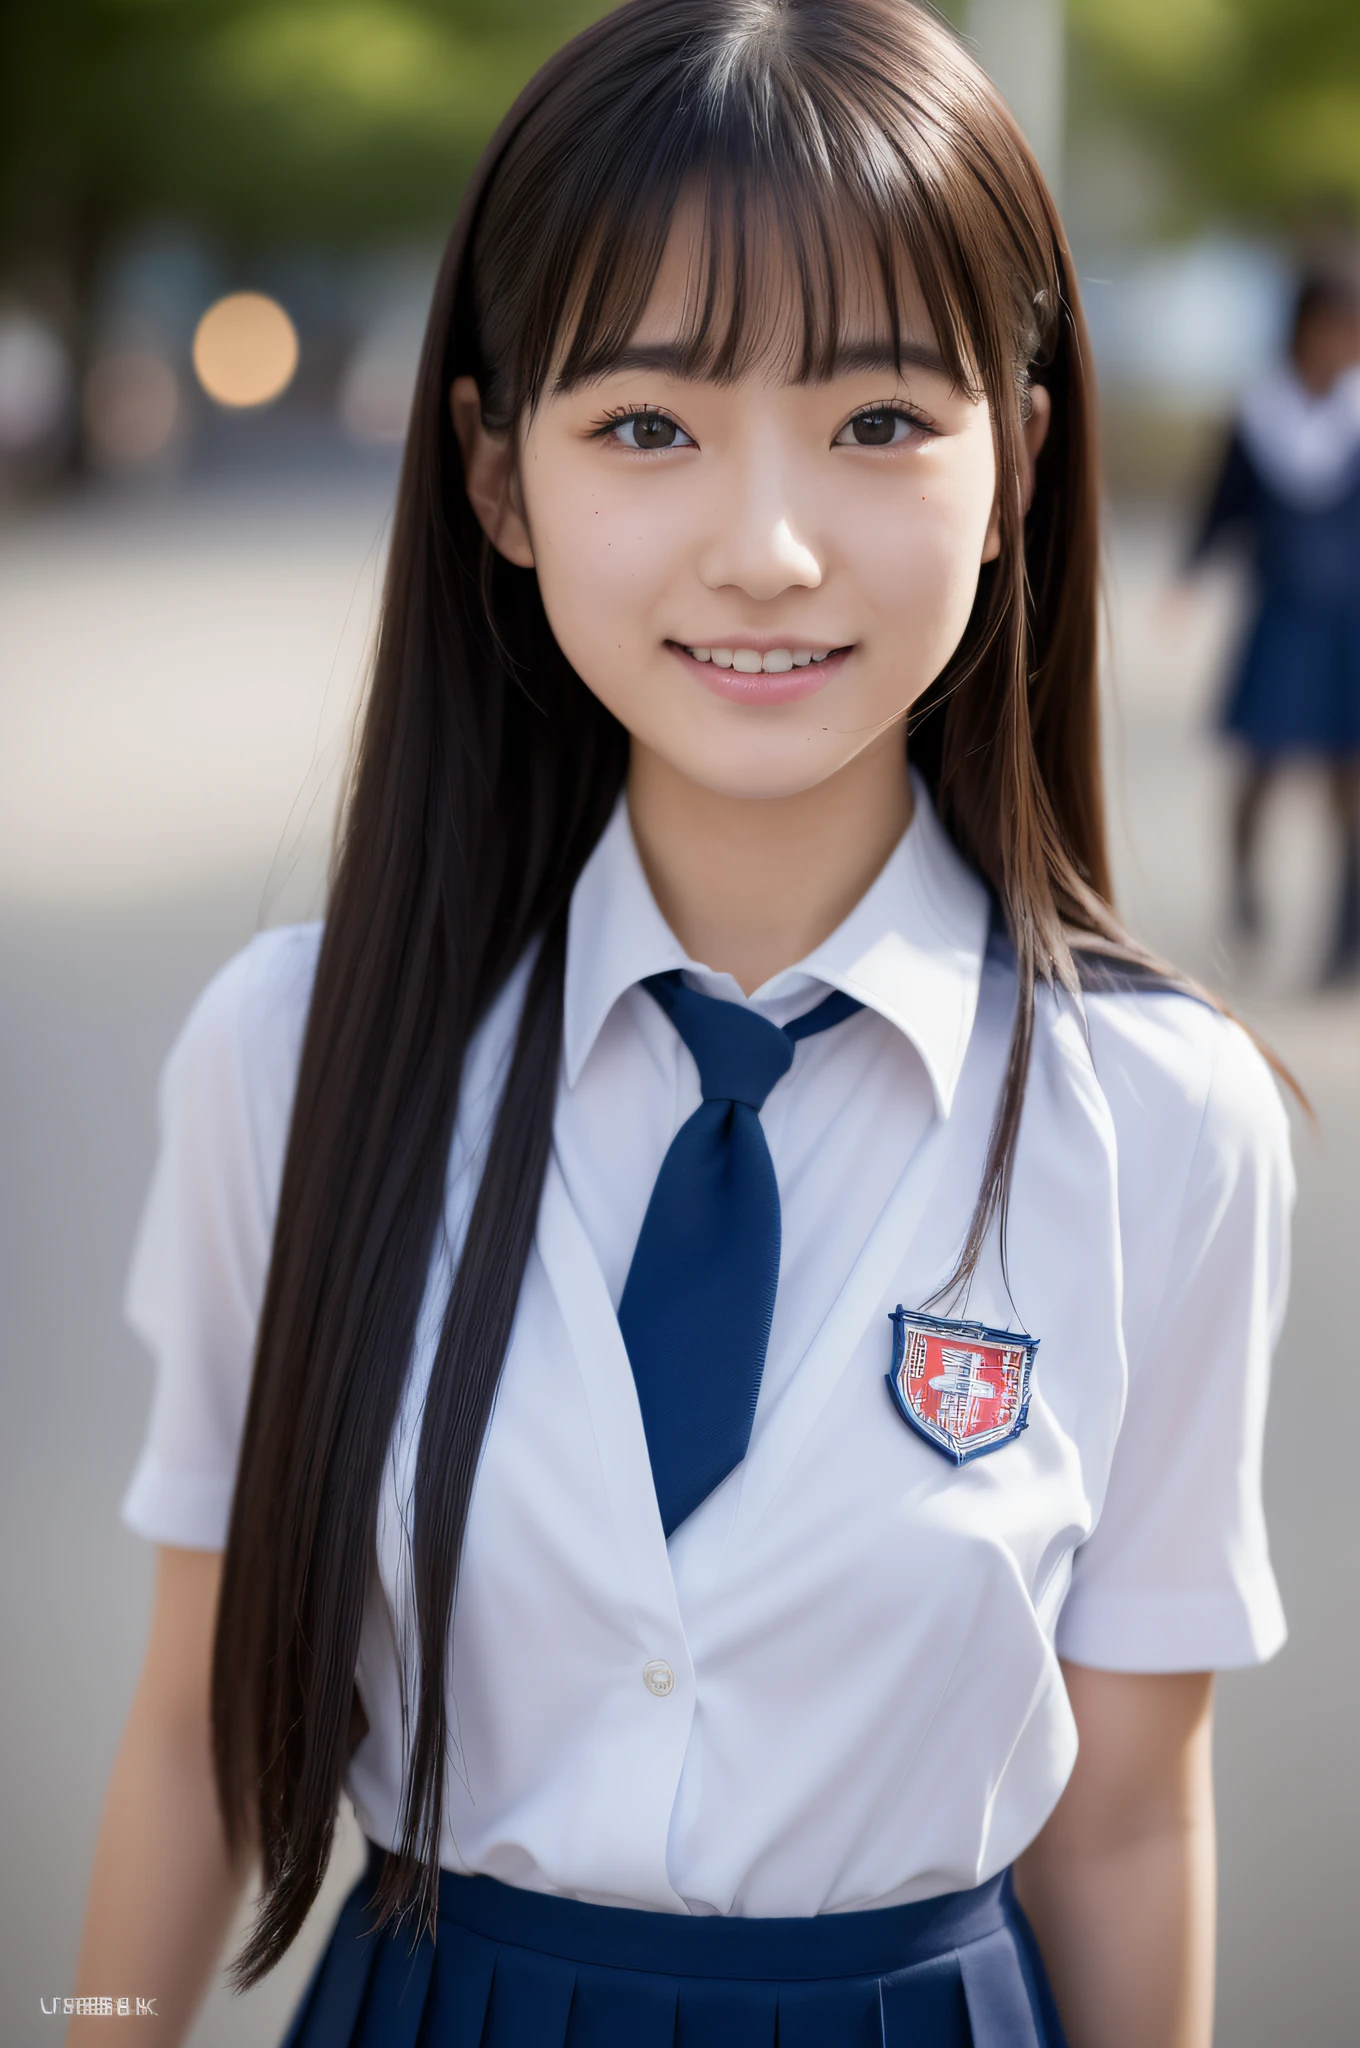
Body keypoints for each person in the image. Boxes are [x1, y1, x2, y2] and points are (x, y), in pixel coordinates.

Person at [68, 5, 1294, 2045]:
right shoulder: (289, 1058)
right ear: (496, 474)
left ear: (1018, 465)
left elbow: (1126, 1821)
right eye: (645, 425)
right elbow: (200, 1713)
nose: (767, 547)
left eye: (879, 421)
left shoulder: (1154, 1118)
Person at [1186, 270, 1360, 985]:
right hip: (1281, 614)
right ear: (1301, 329)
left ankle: (1345, 933)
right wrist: (1188, 573)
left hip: (1349, 623)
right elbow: (1221, 506)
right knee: (1257, 766)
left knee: (1346, 781)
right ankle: (1245, 898)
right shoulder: (1259, 416)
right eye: (1333, 327)